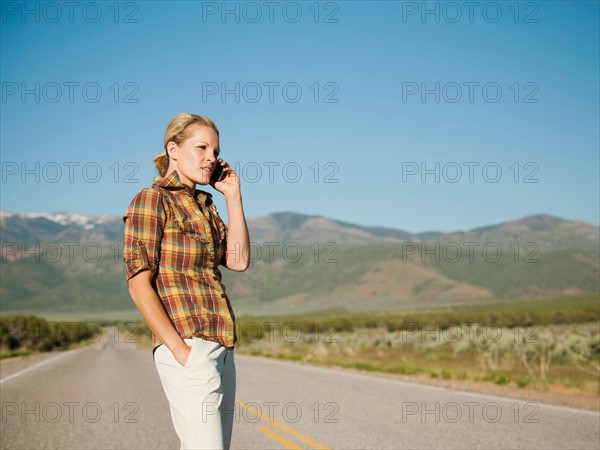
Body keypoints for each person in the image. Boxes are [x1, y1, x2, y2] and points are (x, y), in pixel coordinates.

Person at [122, 112, 250, 450]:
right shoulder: (152, 200)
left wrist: (232, 195)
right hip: (187, 343)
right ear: (173, 150)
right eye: (202, 147)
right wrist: (180, 350)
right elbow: (138, 284)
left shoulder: (206, 207)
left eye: (215, 150)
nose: (212, 157)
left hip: (222, 345)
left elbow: (238, 260)